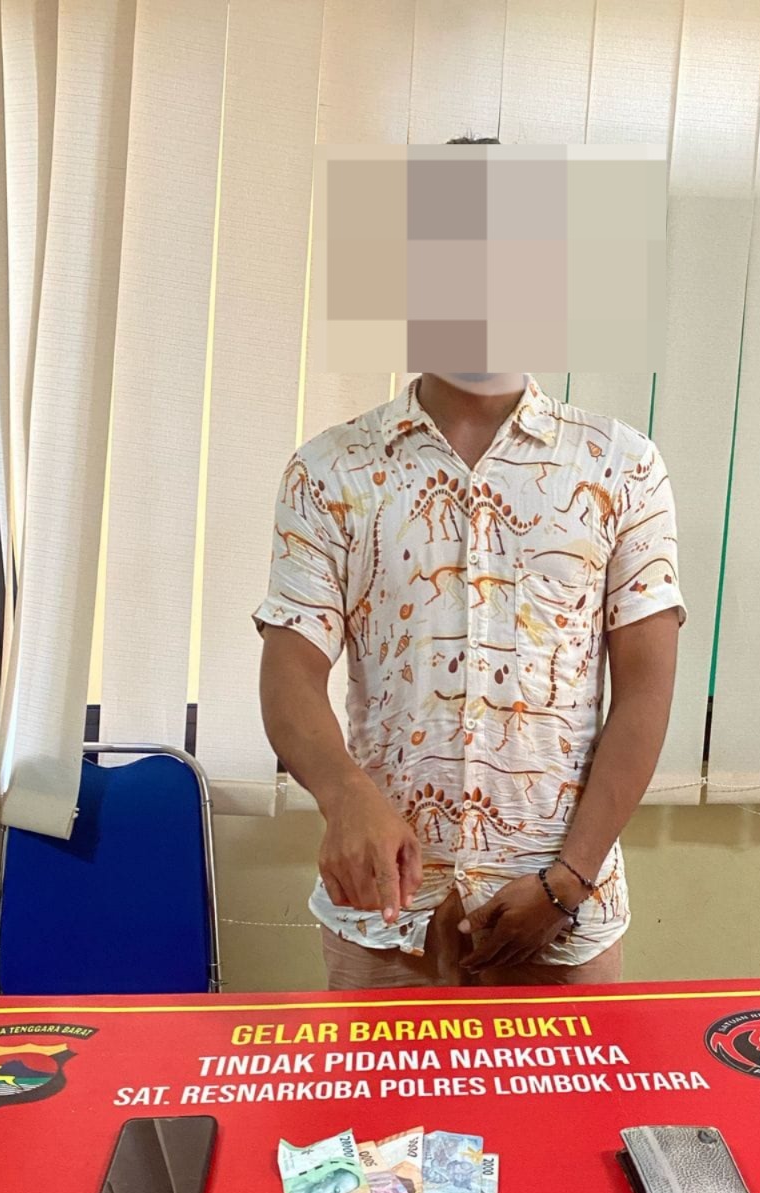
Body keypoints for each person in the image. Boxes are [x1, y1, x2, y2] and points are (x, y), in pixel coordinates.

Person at [255, 144, 684, 991]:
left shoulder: (621, 466)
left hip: (565, 918)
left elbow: (645, 688)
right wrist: (343, 793)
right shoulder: (331, 470)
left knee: (581, 1091)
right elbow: (292, 669)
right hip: (386, 918)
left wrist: (567, 882)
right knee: (373, 1091)